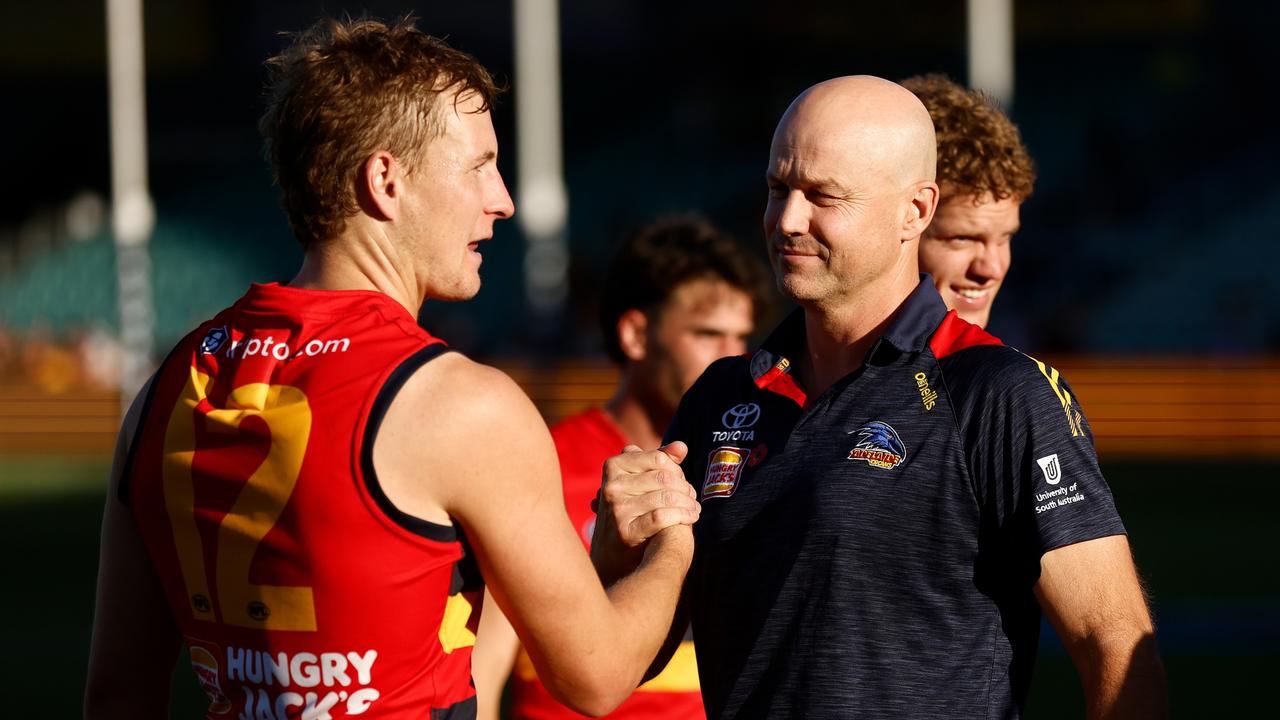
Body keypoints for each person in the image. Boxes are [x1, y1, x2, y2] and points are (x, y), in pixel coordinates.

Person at [84, 17, 700, 719]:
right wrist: (676, 538)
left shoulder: (168, 386)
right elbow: (596, 678)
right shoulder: (459, 404)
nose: (502, 200)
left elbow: (117, 693)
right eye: (478, 167)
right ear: (385, 180)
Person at [596, 76, 1166, 718]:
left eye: (823, 197)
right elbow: (618, 671)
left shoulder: (996, 392)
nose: (787, 220)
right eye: (777, 189)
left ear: (915, 211)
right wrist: (619, 554)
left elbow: (1115, 643)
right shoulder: (720, 398)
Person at [471, 217, 771, 720]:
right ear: (636, 335)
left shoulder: (754, 467)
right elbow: (483, 669)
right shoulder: (544, 464)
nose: (734, 357)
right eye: (708, 334)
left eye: (742, 336)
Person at [901, 74, 1035, 330]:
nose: (991, 269)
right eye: (962, 239)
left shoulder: (1008, 369)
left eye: (1005, 238)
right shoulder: (809, 361)